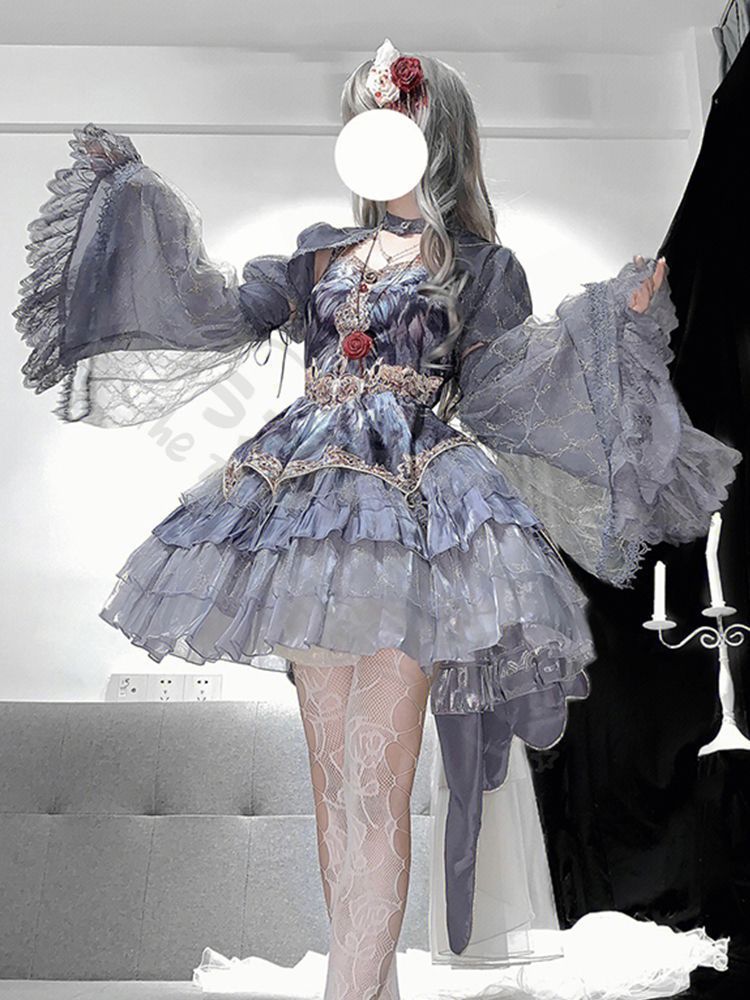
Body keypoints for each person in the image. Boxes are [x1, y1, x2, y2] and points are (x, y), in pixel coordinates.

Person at [13, 38, 740, 1000]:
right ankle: (369, 990)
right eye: (366, 117)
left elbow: (518, 384)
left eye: (393, 117)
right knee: (334, 791)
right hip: (304, 516)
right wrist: (132, 197)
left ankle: (349, 994)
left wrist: (614, 316)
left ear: (433, 135)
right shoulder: (317, 253)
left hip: (414, 519)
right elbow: (209, 307)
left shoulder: (480, 266)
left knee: (375, 780)